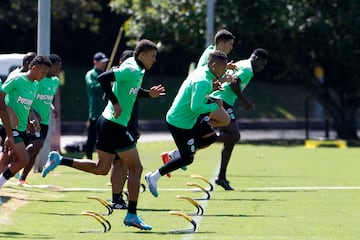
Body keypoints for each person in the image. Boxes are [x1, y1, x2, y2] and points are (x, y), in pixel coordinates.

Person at [42, 39, 161, 230]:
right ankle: (131, 215)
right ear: (142, 55)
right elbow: (103, 78)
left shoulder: (138, 70)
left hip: (107, 123)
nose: (155, 60)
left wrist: (148, 94)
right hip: (114, 124)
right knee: (136, 168)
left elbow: (130, 90)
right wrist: (114, 102)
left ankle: (60, 160)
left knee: (101, 168)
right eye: (153, 56)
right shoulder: (130, 68)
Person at [145, 50, 230, 198]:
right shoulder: (203, 80)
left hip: (191, 118)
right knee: (187, 158)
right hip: (180, 122)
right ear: (214, 65)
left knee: (210, 137)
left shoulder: (206, 72)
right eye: (223, 69)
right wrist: (215, 106)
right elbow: (196, 107)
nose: (224, 72)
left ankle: (175, 154)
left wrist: (214, 88)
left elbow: (203, 93)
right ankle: (154, 176)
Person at [109, 50, 165, 209]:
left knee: (126, 164)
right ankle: (116, 198)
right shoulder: (117, 78)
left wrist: (136, 125)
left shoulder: (135, 75)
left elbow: (134, 98)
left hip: (131, 124)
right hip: (119, 124)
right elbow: (111, 97)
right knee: (118, 163)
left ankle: (119, 197)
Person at [210, 48, 269, 190]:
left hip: (223, 100)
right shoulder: (248, 69)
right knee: (234, 135)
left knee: (230, 141)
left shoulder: (243, 63)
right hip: (221, 100)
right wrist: (245, 101)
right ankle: (202, 137)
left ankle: (221, 177)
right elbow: (233, 83)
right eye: (262, 63)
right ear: (256, 59)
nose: (262, 67)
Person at [0, 55, 51, 192]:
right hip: (8, 126)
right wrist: (10, 112)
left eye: (46, 73)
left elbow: (27, 106)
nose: (44, 75)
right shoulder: (17, 79)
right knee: (23, 159)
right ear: (33, 67)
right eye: (43, 72)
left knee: (5, 161)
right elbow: (1, 97)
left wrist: (32, 119)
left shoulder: (35, 85)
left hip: (21, 128)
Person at [17, 54, 62, 185]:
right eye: (56, 67)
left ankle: (22, 178)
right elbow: (29, 98)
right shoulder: (37, 80)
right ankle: (15, 164)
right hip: (32, 120)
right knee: (37, 144)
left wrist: (52, 108)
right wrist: (34, 114)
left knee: (36, 149)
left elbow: (48, 99)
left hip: (45, 121)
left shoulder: (55, 81)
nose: (57, 70)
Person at [85, 52, 109, 159]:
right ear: (95, 62)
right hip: (95, 110)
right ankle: (89, 157)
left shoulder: (105, 74)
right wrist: (106, 83)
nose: (104, 64)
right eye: (101, 62)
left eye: (105, 62)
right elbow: (93, 87)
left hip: (106, 111)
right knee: (92, 136)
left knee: (104, 137)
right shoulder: (90, 74)